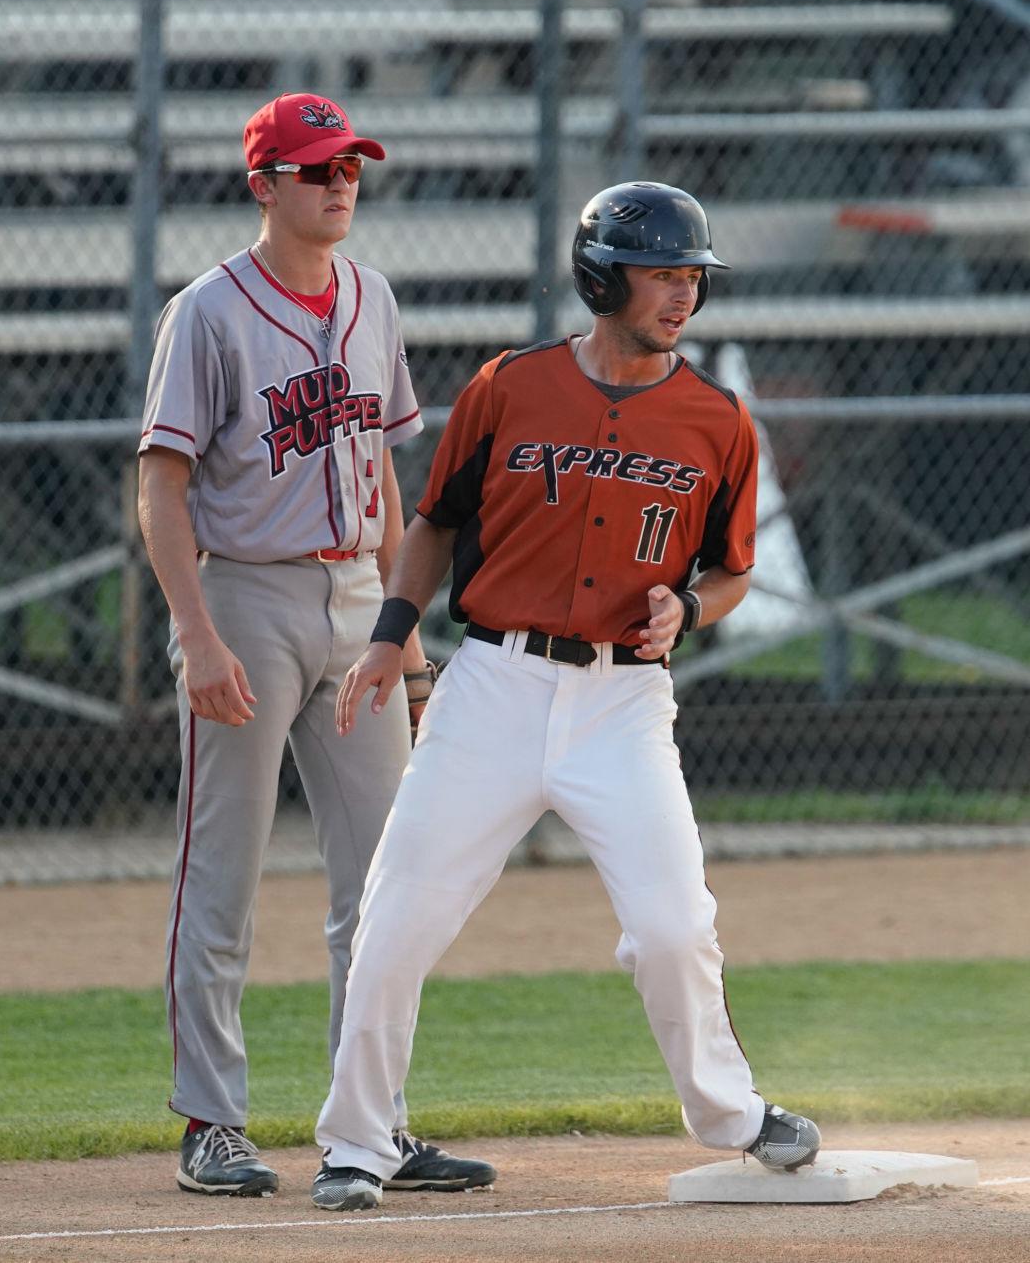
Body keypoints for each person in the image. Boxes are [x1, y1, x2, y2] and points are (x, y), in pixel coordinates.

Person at [309, 181, 821, 1211]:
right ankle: (355, 1143)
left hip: (621, 706)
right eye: (659, 273)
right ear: (600, 277)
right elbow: (434, 523)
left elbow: (728, 572)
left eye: (689, 276)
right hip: (491, 685)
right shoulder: (510, 386)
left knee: (673, 924)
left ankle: (730, 1113)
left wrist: (687, 606)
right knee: (397, 913)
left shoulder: (719, 422)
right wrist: (386, 639)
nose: (679, 295)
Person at [137, 92, 493, 1198]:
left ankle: (370, 1121)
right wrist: (194, 632)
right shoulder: (207, 312)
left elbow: (388, 481)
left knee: (384, 882)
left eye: (349, 167)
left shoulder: (370, 296)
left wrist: (405, 633)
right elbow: (159, 483)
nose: (338, 184)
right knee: (222, 875)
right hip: (242, 599)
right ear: (263, 183)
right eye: (313, 169)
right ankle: (211, 1121)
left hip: (355, 604)